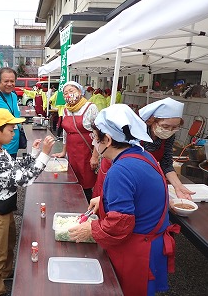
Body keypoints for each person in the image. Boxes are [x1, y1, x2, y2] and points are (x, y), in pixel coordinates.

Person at [68, 104, 180, 296]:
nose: (93, 142)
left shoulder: (121, 170)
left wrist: (90, 229)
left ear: (108, 139)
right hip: (150, 241)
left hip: (137, 250)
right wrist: (102, 199)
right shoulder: (143, 155)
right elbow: (137, 195)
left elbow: (120, 223)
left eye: (95, 137)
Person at [0, 108, 55, 296]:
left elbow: (15, 166)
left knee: (8, 245)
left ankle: (6, 274)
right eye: (11, 130)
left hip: (4, 209)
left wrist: (35, 152)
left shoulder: (0, 151)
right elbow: (23, 179)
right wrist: (44, 155)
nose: (14, 134)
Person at [139, 97, 194, 199]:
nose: (169, 130)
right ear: (152, 121)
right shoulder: (138, 132)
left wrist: (178, 186)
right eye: (165, 126)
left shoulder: (169, 136)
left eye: (174, 127)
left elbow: (166, 163)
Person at [52, 81, 99, 202]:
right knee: (72, 180)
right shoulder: (66, 110)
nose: (68, 95)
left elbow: (99, 133)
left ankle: (87, 207)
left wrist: (95, 156)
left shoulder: (90, 107)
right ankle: (73, 205)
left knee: (87, 182)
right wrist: (63, 152)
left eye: (71, 91)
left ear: (80, 92)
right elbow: (65, 132)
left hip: (87, 150)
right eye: (65, 93)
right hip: (72, 152)